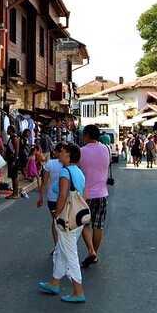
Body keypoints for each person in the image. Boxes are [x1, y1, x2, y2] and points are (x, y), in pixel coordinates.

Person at [38, 143, 87, 303]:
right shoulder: (79, 172)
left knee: (69, 253)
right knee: (61, 250)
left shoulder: (65, 172)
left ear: (68, 155)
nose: (59, 154)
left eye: (63, 152)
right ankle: (55, 282)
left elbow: (62, 197)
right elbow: (84, 195)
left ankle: (78, 291)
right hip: (76, 218)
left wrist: (57, 215)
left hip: (66, 217)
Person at [77, 124, 109, 268]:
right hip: (102, 193)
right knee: (98, 225)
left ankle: (91, 251)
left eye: (84, 134)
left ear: (88, 135)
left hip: (86, 195)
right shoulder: (107, 149)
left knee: (84, 224)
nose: (82, 137)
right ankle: (95, 252)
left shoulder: (81, 152)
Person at [36, 142, 65, 251]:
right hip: (65, 197)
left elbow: (44, 182)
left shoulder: (50, 164)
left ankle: (57, 245)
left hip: (52, 197)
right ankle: (62, 246)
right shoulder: (68, 164)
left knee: (55, 221)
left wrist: (40, 197)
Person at [4, 126, 21, 199]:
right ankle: (14, 193)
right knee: (13, 176)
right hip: (11, 159)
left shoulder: (14, 138)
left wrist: (14, 161)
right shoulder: (11, 138)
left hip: (13, 159)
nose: (7, 131)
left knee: (15, 176)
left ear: (11, 130)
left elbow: (16, 150)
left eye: (8, 130)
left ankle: (15, 193)